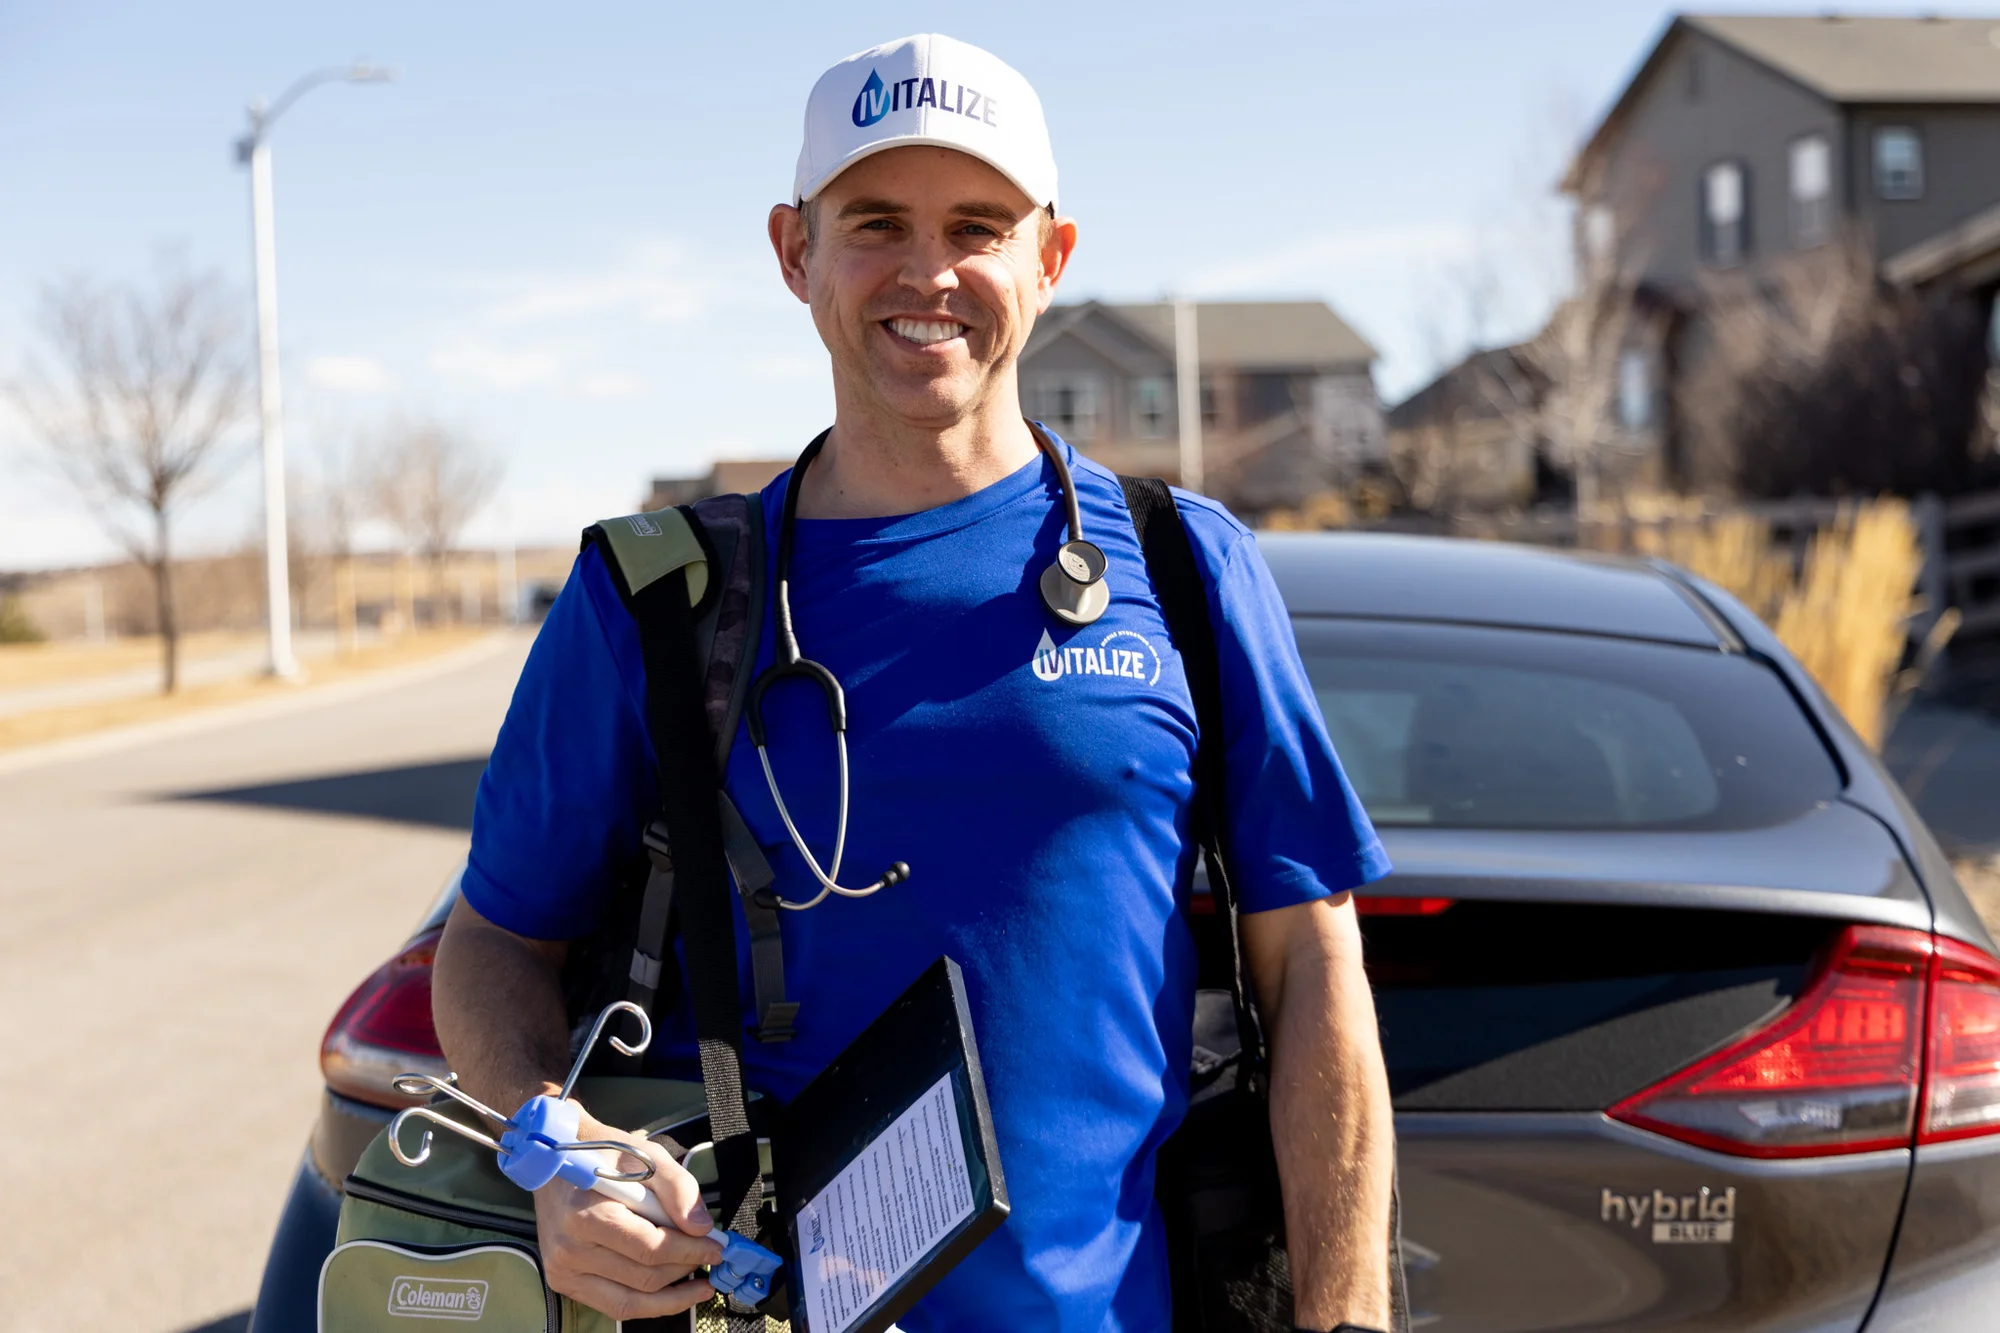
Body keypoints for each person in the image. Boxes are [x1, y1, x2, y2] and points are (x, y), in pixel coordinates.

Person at [432, 32, 1396, 1333]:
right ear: (795, 252)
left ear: (1048, 261)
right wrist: (554, 1149)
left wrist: (1349, 1322)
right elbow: (493, 941)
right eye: (875, 223)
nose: (928, 273)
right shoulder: (655, 603)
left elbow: (1313, 963)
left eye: (978, 227)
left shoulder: (1185, 570)